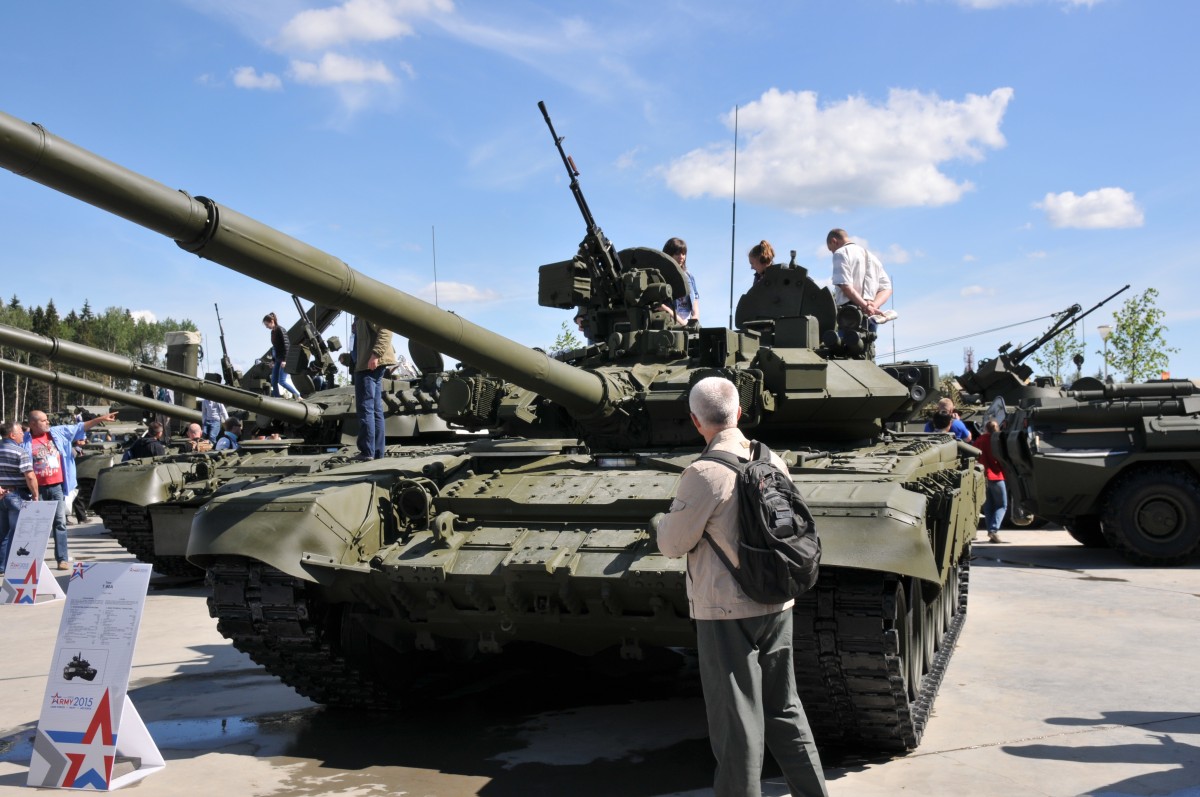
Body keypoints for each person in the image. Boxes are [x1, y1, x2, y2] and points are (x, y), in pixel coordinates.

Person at [656, 377, 828, 797]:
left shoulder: (703, 473)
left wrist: (661, 523)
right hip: (777, 600)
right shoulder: (772, 461)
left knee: (736, 722)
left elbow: (672, 545)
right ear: (738, 412)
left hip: (724, 611)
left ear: (696, 421)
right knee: (785, 708)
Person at [25, 408, 117, 570]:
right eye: (43, 420)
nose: (47, 422)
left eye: (47, 419)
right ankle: (33, 560)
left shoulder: (57, 433)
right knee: (36, 526)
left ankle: (62, 559)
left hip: (56, 486)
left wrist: (100, 419)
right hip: (36, 489)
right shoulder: (25, 440)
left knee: (60, 523)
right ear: (33, 424)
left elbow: (80, 427)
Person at [352, 315, 397, 460]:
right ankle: (376, 452)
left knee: (366, 408)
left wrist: (376, 354)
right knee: (376, 410)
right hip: (367, 362)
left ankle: (367, 451)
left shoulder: (365, 310)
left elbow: (386, 329)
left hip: (368, 364)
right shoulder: (360, 314)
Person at [826, 228, 893, 322]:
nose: (832, 252)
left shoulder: (840, 253)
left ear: (834, 241)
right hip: (871, 315)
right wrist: (873, 306)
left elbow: (845, 286)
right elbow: (887, 289)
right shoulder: (873, 258)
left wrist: (866, 306)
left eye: (831, 249)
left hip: (850, 315)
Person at [0, 419, 39, 570]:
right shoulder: (20, 452)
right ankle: (12, 566)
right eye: (20, 432)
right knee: (17, 533)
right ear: (12, 435)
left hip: (2, 496)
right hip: (16, 495)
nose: (23, 434)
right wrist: (35, 495)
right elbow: (30, 476)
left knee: (2, 533)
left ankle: (2, 566)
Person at [975, 420, 1007, 544]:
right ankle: (993, 530)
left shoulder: (980, 440)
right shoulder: (997, 441)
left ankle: (990, 531)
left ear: (985, 428)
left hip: (983, 477)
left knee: (988, 507)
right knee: (1002, 505)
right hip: (997, 476)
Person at [658, 237, 700, 325]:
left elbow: (695, 297)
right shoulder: (660, 276)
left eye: (683, 254)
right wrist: (682, 323)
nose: (681, 257)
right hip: (671, 325)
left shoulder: (689, 276)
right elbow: (660, 306)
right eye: (677, 253)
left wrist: (695, 316)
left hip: (689, 324)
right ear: (668, 254)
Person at [263, 312, 302, 399]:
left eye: (267, 324)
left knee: (282, 381)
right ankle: (277, 398)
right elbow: (275, 348)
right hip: (277, 359)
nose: (266, 327)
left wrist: (285, 360)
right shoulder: (273, 332)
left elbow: (286, 346)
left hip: (283, 359)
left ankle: (298, 396)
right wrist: (273, 360)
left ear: (272, 321)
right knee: (273, 381)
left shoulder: (280, 330)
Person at [200, 374, 229, 443]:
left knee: (212, 436)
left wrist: (228, 421)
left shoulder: (217, 400)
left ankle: (213, 447)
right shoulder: (204, 401)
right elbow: (204, 412)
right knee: (204, 434)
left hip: (215, 421)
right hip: (207, 420)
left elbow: (223, 411)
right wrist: (203, 422)